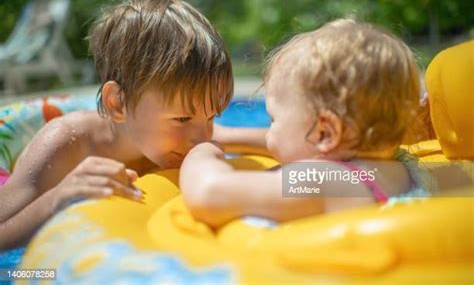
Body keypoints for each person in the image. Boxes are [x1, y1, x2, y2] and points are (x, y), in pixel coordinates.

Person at [0, 0, 235, 250]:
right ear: (118, 103)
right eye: (182, 118)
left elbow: (269, 142)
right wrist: (58, 196)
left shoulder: (187, 133)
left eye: (212, 116)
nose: (203, 138)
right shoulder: (65, 144)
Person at [180, 18, 438, 228]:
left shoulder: (326, 180)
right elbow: (302, 144)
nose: (270, 132)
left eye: (273, 119)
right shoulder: (402, 167)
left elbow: (208, 193)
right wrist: (228, 137)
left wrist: (203, 151)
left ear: (325, 132)